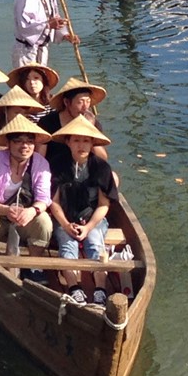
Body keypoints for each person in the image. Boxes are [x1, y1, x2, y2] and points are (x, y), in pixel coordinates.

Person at [45, 116, 120, 299]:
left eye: (86, 141)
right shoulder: (57, 164)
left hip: (93, 218)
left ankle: (100, 290)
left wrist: (88, 227)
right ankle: (74, 288)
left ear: (92, 143)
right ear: (68, 142)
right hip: (65, 218)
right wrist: (65, 224)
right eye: (76, 140)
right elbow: (54, 201)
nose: (81, 145)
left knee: (95, 243)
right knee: (67, 245)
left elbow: (103, 204)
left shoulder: (101, 167)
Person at [0, 116, 54, 251]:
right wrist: (6, 210)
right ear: (8, 143)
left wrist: (32, 211)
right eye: (18, 141)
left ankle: (35, 262)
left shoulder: (40, 163)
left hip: (26, 215)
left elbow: (43, 198)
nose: (25, 146)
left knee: (44, 221)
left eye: (30, 142)